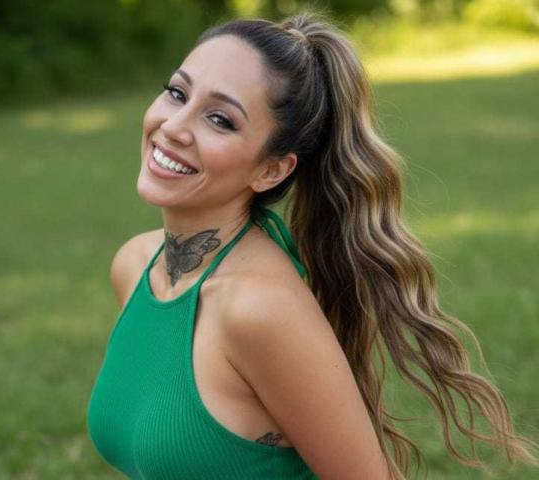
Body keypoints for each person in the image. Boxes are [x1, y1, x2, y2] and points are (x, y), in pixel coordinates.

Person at [86, 9, 537, 480]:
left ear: (272, 170)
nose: (174, 126)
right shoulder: (135, 265)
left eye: (219, 119)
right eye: (177, 92)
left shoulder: (259, 308)